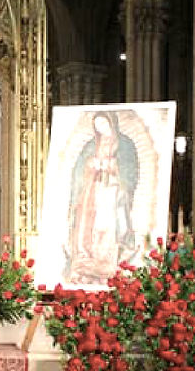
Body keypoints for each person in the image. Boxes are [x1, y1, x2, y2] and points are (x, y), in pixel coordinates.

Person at [65, 111, 139, 285]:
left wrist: (111, 166)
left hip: (112, 191)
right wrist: (91, 165)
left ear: (111, 123)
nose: (101, 128)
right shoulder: (91, 145)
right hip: (93, 189)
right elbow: (79, 170)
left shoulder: (124, 144)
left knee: (106, 226)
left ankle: (105, 264)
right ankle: (86, 263)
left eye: (103, 124)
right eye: (97, 126)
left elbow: (129, 170)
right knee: (89, 226)